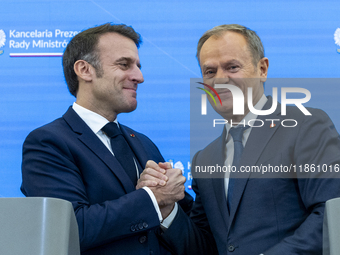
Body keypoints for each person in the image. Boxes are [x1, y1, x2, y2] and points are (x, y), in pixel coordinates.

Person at [140, 24, 340, 255]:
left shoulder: (307, 125)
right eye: (210, 71)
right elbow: (204, 245)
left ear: (262, 69)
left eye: (232, 67)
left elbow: (330, 215)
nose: (220, 80)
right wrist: (167, 210)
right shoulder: (205, 157)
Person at [21, 23, 192, 255]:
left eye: (138, 66)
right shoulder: (48, 143)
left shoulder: (144, 143)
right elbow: (69, 229)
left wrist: (168, 208)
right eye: (124, 64)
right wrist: (152, 198)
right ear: (84, 70)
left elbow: (196, 239)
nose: (139, 77)